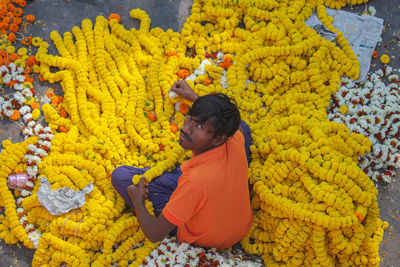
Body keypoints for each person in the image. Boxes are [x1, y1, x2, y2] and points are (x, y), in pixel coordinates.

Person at [111, 80, 253, 250]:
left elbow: (155, 234)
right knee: (241, 124)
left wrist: (138, 201)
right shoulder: (234, 139)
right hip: (238, 225)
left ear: (219, 139)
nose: (186, 129)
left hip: (206, 237)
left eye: (200, 126)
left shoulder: (194, 182)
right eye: (190, 118)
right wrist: (195, 99)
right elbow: (237, 126)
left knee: (121, 176)